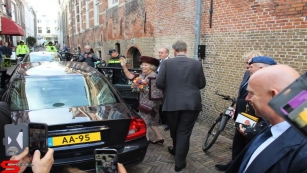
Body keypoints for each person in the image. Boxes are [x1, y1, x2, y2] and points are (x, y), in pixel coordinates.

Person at [226, 65, 307, 173]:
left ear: (273, 95)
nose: (247, 98)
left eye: (252, 93)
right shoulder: (271, 129)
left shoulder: (301, 154)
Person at [156, 40, 206, 172]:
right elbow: (202, 84)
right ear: (186, 50)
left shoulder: (166, 63)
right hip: (191, 103)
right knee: (183, 132)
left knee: (174, 129)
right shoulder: (196, 63)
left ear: (174, 51)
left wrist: (170, 89)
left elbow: (159, 83)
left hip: (172, 102)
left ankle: (178, 159)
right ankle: (179, 158)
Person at [215, 51, 263, 171]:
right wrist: (237, 105)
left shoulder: (262, 77)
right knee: (238, 138)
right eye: (246, 63)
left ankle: (241, 166)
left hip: (251, 111)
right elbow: (242, 92)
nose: (247, 66)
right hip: (242, 108)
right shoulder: (247, 74)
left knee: (247, 139)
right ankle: (233, 163)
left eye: (249, 64)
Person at [119, 56, 164, 144]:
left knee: (144, 121)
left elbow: (157, 91)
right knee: (153, 121)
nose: (143, 67)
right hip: (144, 100)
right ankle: (159, 137)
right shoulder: (142, 75)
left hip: (150, 102)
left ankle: (145, 139)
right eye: (142, 65)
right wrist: (124, 66)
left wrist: (142, 88)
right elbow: (130, 76)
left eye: (145, 65)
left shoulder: (154, 76)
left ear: (151, 67)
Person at [157, 47, 170, 131]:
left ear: (167, 54)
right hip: (158, 87)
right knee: (159, 104)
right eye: (159, 52)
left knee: (167, 105)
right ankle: (162, 120)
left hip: (166, 87)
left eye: (161, 53)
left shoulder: (170, 63)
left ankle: (168, 123)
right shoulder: (158, 62)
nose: (159, 54)